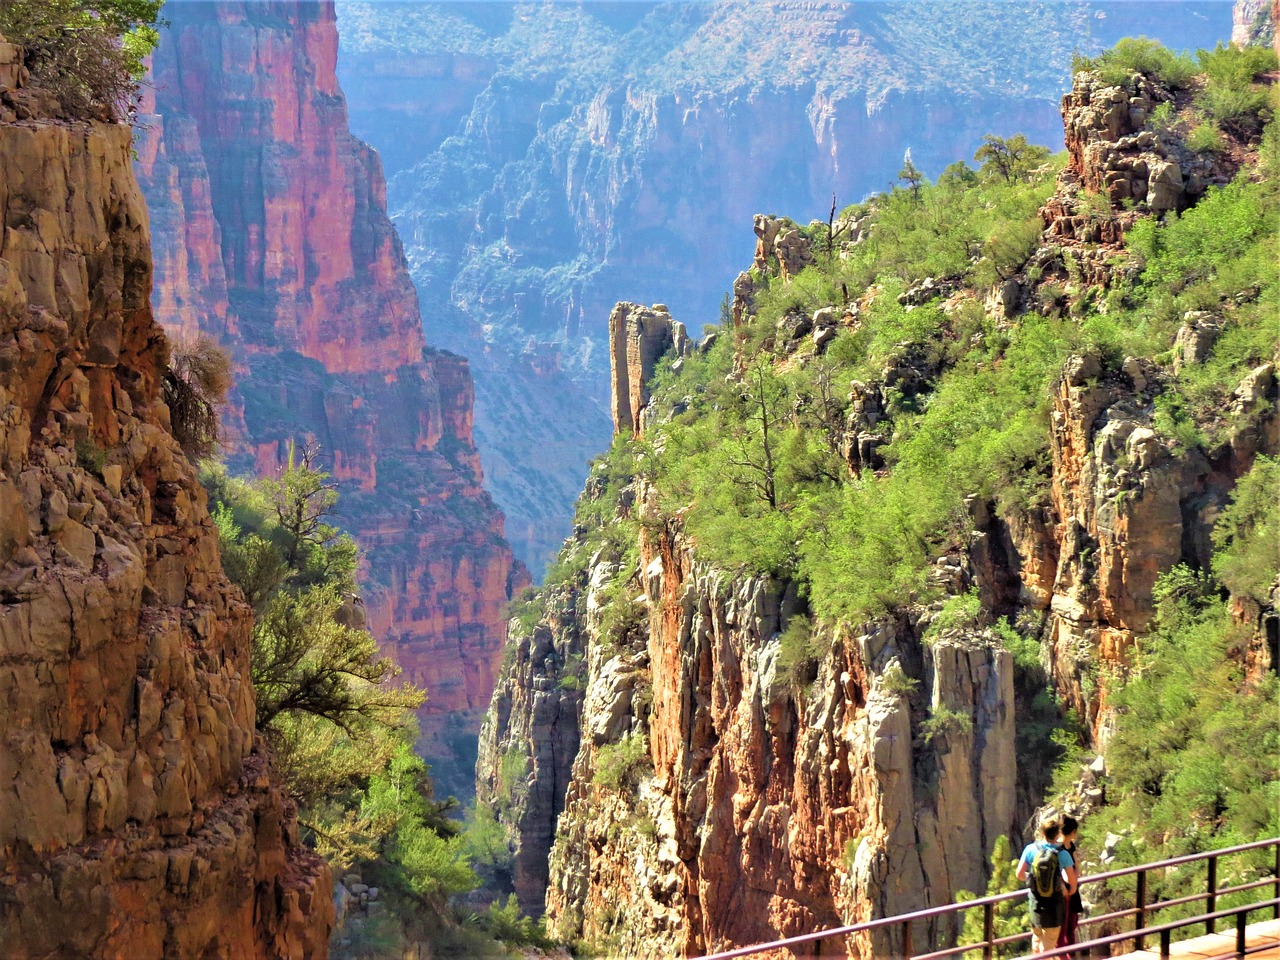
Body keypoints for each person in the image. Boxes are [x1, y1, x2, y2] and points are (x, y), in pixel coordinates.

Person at [1016, 816, 1077, 956]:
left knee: (1036, 942)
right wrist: (1067, 891)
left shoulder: (1030, 849)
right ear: (1058, 834)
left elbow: (1019, 874)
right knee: (1048, 947)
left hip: (1035, 905)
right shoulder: (1062, 854)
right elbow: (1071, 883)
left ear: (1042, 832)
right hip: (1054, 907)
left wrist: (1034, 879)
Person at [1057, 816, 1083, 957]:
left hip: (1073, 888)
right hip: (1063, 891)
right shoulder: (1058, 847)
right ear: (1073, 831)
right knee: (1064, 925)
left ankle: (1071, 954)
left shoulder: (1070, 845)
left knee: (1072, 923)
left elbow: (1076, 864)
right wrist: (1067, 887)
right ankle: (1064, 955)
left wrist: (1075, 880)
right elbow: (1059, 870)